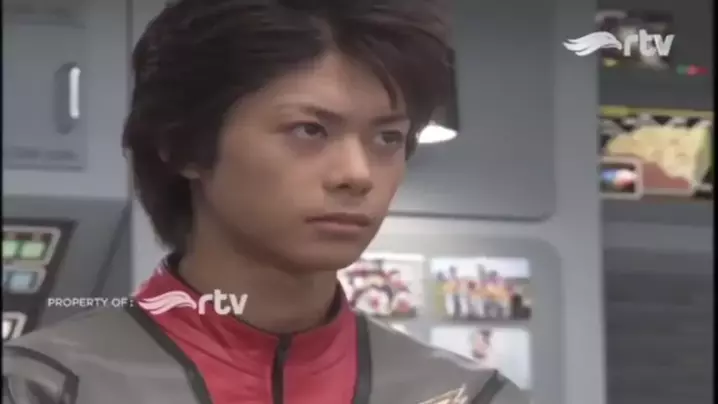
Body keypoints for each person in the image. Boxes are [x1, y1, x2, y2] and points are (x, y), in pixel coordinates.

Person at [2, 1, 529, 403]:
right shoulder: (46, 386)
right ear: (183, 146)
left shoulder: (468, 395)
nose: (357, 174)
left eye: (387, 138)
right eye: (310, 130)